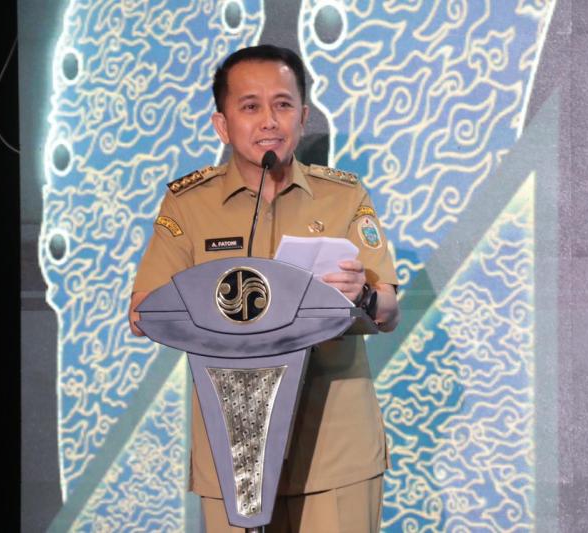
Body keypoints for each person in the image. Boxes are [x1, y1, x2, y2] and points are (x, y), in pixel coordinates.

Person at [129, 45, 399, 532]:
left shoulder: (343, 196)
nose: (269, 121)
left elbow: (388, 310)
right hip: (233, 452)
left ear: (303, 117)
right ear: (222, 124)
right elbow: (144, 311)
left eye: (283, 104)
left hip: (334, 452)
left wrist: (361, 295)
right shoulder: (188, 204)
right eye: (250, 106)